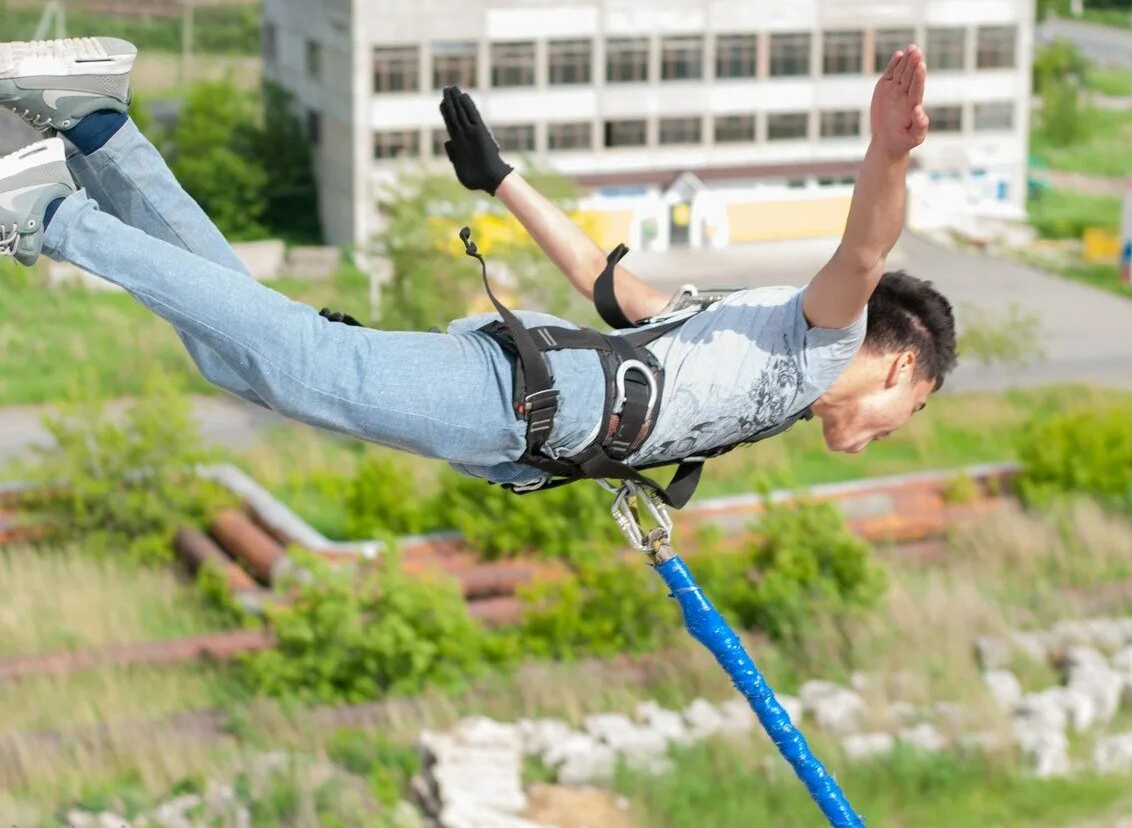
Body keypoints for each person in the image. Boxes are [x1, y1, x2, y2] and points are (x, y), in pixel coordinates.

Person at [0, 37, 955, 507]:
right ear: (904, 370)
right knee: (297, 365)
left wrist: (502, 181)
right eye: (909, 419)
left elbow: (605, 280)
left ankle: (100, 131)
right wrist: (887, 158)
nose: (883, 435)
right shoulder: (822, 341)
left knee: (245, 359)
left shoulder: (753, 334)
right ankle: (51, 212)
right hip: (537, 398)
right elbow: (865, 250)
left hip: (535, 402)